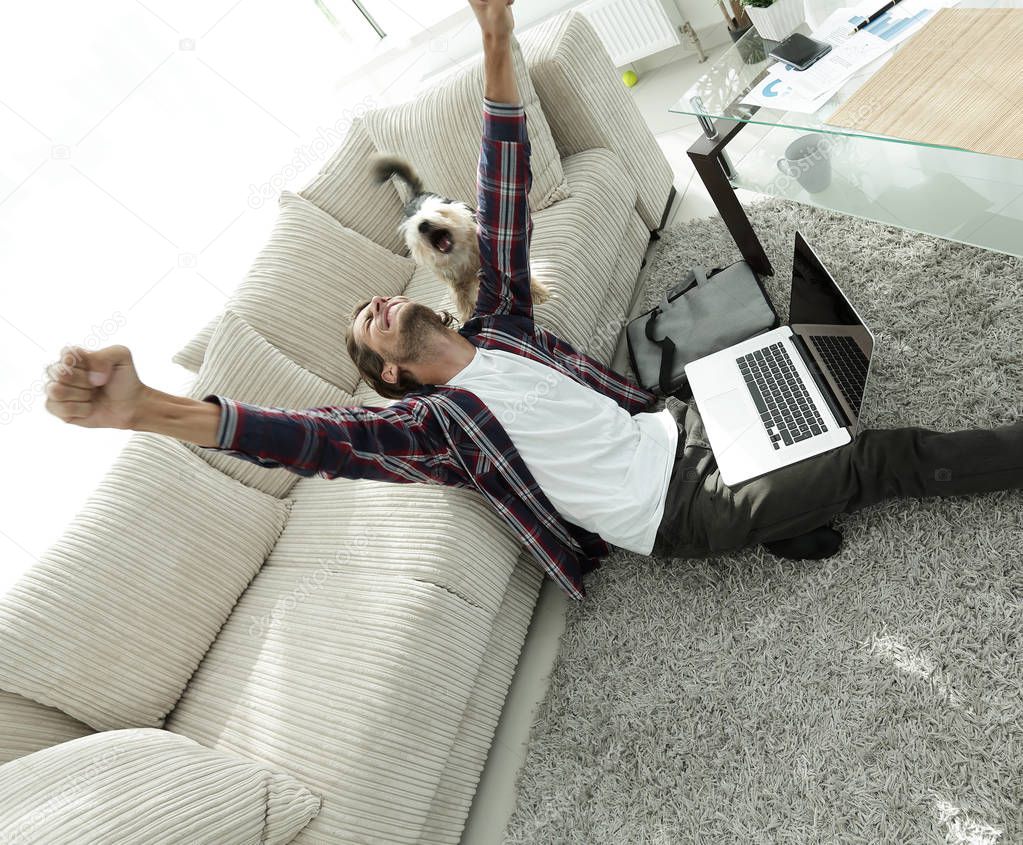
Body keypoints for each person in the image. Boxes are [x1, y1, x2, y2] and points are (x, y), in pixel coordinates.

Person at [44, 0, 1023, 602]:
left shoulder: (500, 325)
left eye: (376, 301)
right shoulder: (432, 427)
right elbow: (303, 437)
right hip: (682, 504)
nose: (377, 305)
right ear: (386, 372)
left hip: (686, 429)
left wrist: (496, 33)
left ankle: (792, 509)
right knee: (883, 458)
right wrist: (139, 409)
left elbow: (504, 193)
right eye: (364, 325)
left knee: (775, 349)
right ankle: (806, 501)